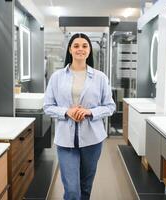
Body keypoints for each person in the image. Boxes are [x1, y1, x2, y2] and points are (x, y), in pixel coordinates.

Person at [43, 33, 116, 200]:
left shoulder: (100, 77)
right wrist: (66, 112)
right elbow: (47, 106)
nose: (80, 49)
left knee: (85, 188)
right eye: (76, 46)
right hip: (65, 141)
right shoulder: (57, 77)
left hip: (92, 140)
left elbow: (110, 106)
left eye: (84, 46)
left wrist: (90, 112)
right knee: (72, 191)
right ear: (70, 49)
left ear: (89, 50)